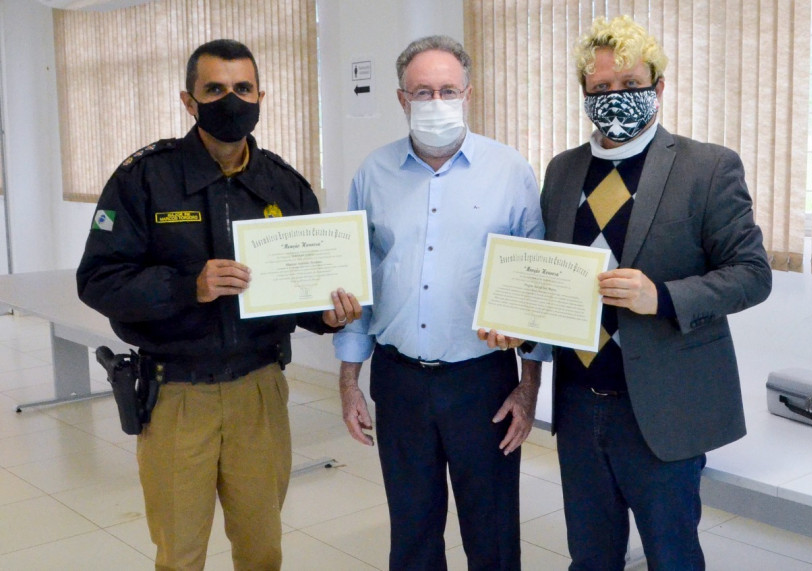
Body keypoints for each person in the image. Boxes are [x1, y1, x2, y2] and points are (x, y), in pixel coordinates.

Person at [77, 39, 362, 570]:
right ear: (189, 101)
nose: (231, 100)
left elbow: (304, 288)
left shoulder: (284, 185)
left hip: (260, 391)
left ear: (260, 97)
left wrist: (326, 316)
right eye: (214, 89)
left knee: (262, 549)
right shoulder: (145, 178)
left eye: (243, 88)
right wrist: (189, 286)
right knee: (181, 554)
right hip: (177, 394)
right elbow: (98, 281)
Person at [540, 16, 772, 570]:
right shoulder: (562, 171)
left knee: (672, 555)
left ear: (659, 87)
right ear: (584, 93)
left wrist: (662, 297)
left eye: (630, 84)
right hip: (578, 401)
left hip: (662, 406)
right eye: (601, 87)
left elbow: (752, 274)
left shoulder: (707, 167)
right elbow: (549, 274)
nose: (614, 97)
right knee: (590, 556)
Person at [334, 35, 548, 570]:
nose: (436, 102)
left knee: (492, 532)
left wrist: (528, 389)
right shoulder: (373, 174)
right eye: (422, 92)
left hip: (483, 382)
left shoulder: (510, 171)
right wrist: (348, 381)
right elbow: (358, 284)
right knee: (412, 531)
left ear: (468, 94)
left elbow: (535, 289)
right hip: (399, 381)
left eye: (447, 90)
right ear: (402, 99)